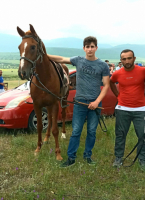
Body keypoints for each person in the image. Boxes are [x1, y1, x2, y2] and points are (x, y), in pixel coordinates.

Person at [47, 36, 110, 167]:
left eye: (92, 46)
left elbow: (106, 86)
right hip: (80, 102)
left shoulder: (103, 65)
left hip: (95, 103)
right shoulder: (78, 60)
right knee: (76, 131)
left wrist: (97, 102)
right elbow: (61, 59)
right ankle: (71, 158)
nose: (90, 49)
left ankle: (88, 155)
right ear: (84, 48)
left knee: (92, 131)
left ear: (96, 48)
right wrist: (44, 54)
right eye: (87, 47)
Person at [109, 49, 145, 171]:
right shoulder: (117, 73)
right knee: (120, 135)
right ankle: (118, 158)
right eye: (124, 59)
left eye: (129, 58)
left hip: (141, 109)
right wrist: (118, 95)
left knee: (144, 135)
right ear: (121, 61)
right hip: (122, 109)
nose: (127, 61)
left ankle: (142, 160)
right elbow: (111, 83)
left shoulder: (143, 71)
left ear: (134, 58)